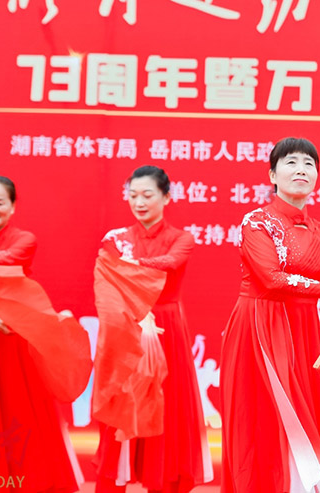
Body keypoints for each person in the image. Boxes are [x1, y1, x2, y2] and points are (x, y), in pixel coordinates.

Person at [219, 137, 320, 493]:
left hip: (304, 331)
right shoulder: (257, 222)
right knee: (266, 417)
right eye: (291, 162)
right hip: (261, 328)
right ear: (272, 175)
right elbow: (272, 279)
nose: (301, 170)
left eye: (309, 164)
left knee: (305, 413)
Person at [0, 176, 81, 492]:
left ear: (12, 206)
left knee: (22, 411)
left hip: (16, 339)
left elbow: (5, 265)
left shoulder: (24, 240)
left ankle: (32, 483)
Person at [94, 165, 212, 493]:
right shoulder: (115, 238)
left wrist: (130, 266)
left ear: (166, 197)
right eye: (133, 195)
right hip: (125, 327)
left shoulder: (181, 239)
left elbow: (170, 263)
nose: (139, 202)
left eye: (147, 195)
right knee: (120, 409)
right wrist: (133, 309)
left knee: (166, 411)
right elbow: (107, 283)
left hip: (166, 330)